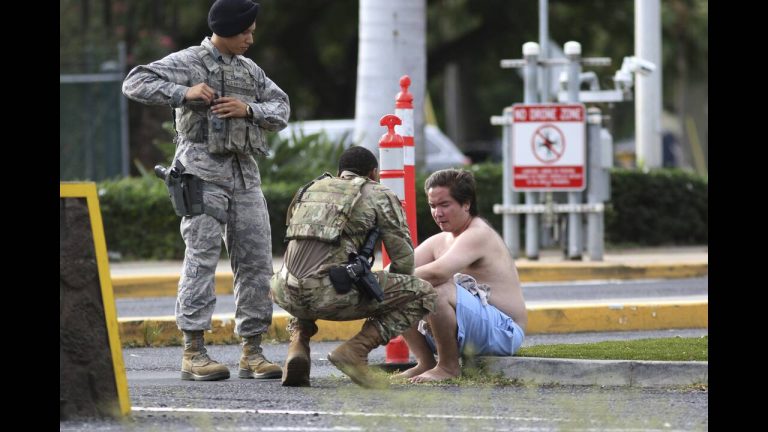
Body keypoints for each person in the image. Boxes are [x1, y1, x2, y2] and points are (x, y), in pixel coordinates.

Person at [122, 0, 289, 381]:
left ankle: (253, 351)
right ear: (226, 30)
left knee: (256, 263)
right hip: (200, 175)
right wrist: (184, 93)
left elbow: (281, 107)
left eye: (252, 31)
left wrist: (249, 109)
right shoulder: (189, 61)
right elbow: (135, 82)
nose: (250, 38)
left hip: (245, 177)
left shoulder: (251, 69)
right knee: (202, 260)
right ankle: (193, 351)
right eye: (245, 31)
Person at [270, 146, 437, 388]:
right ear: (374, 173)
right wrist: (388, 297)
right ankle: (355, 351)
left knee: (307, 274)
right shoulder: (378, 193)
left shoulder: (308, 189)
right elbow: (403, 261)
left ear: (340, 174)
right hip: (328, 294)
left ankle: (298, 344)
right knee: (423, 293)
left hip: (282, 290)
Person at [397, 168, 528, 382]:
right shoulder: (440, 240)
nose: (437, 213)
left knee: (435, 288)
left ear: (466, 204)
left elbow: (438, 272)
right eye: (433, 206)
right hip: (472, 331)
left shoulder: (479, 233)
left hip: (504, 332)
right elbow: (399, 268)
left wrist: (389, 281)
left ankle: (448, 367)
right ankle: (426, 362)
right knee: (398, 289)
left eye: (444, 205)